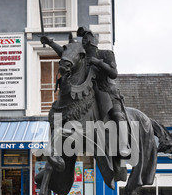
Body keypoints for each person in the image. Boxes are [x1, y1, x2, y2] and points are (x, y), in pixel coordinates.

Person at [40, 28, 130, 159]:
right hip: (87, 92)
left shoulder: (105, 54)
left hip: (106, 91)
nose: (84, 40)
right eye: (84, 37)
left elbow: (114, 73)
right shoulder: (81, 55)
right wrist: (50, 43)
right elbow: (65, 54)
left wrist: (98, 63)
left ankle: (123, 145)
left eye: (87, 36)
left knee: (116, 114)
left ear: (94, 40)